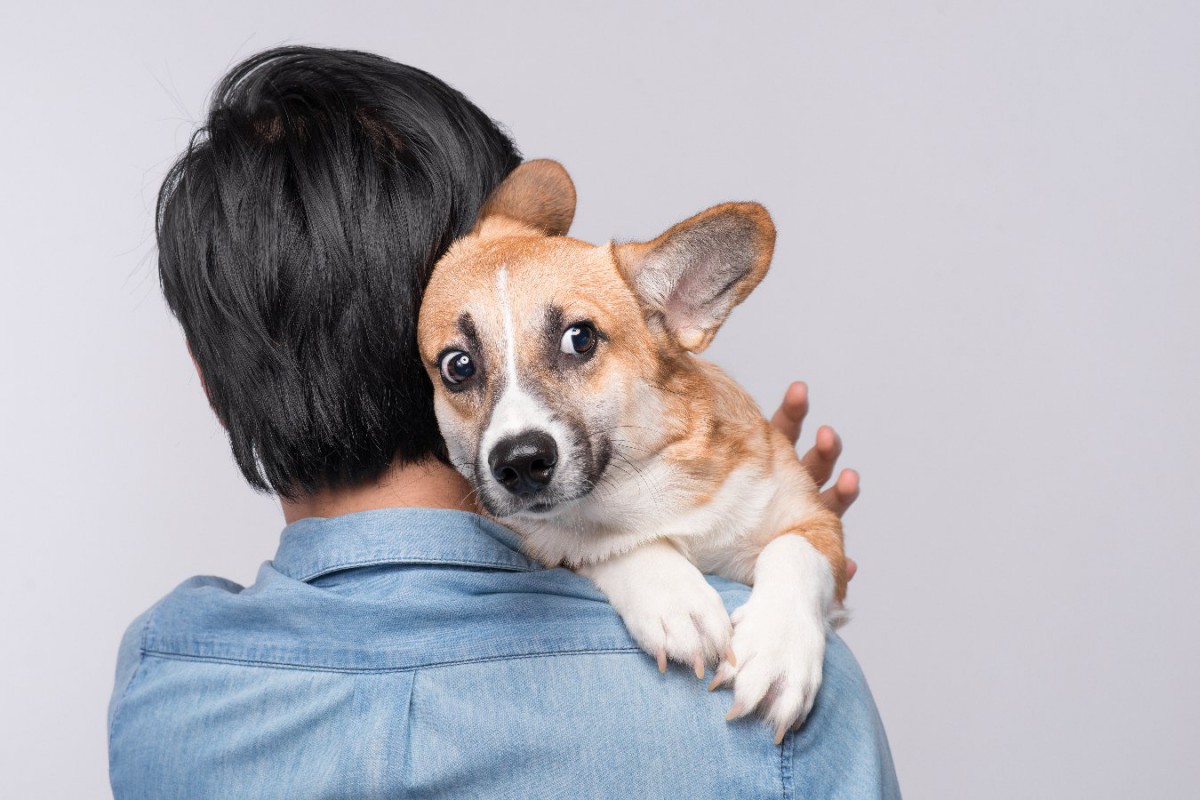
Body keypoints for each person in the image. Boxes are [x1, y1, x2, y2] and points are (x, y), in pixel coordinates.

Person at [108, 46, 900, 799]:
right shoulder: (792, 698)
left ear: (212, 382)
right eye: (462, 366)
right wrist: (771, 582)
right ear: (419, 347)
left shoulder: (160, 682)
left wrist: (713, 519)